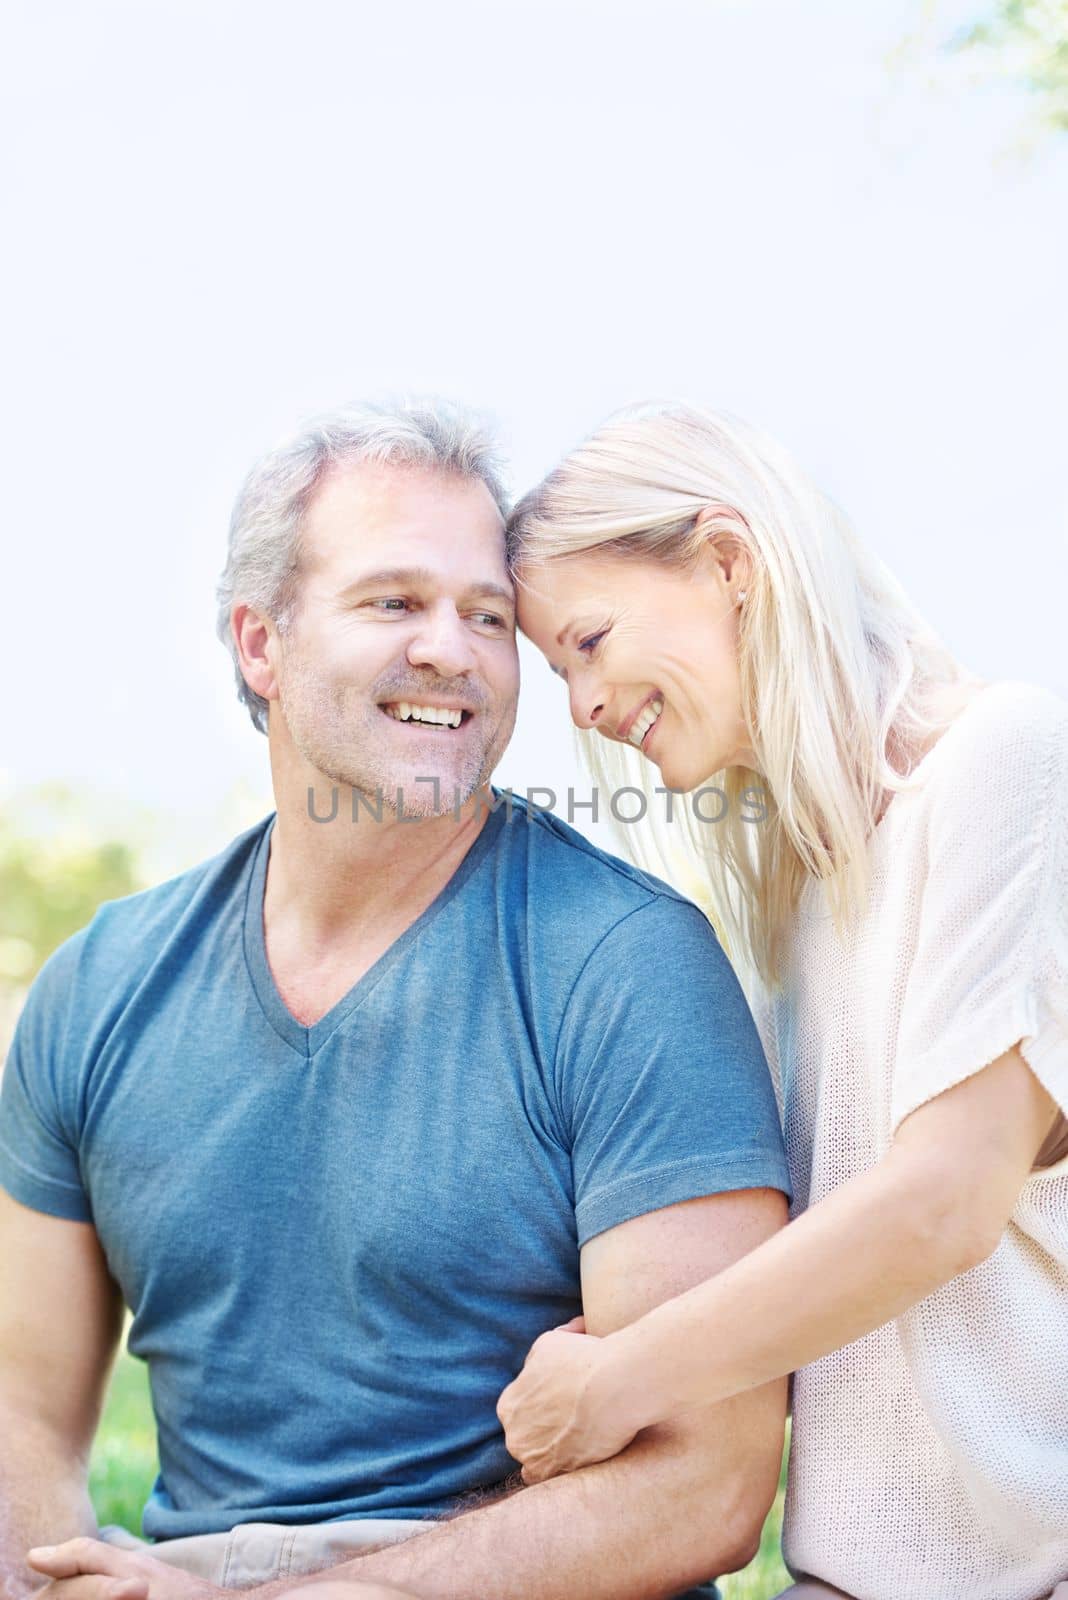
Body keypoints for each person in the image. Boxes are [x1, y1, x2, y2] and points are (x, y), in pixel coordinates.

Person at [0, 401, 793, 1600]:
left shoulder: (628, 967)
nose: (453, 650)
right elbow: (25, 1410)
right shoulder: (98, 991)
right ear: (260, 643)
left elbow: (707, 1482)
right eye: (394, 603)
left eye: (486, 615)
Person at [498, 400, 1068, 1600]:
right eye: (559, 670)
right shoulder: (799, 896)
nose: (583, 706)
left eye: (590, 641)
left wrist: (619, 1379)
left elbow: (943, 1204)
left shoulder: (1006, 762)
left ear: (728, 559)